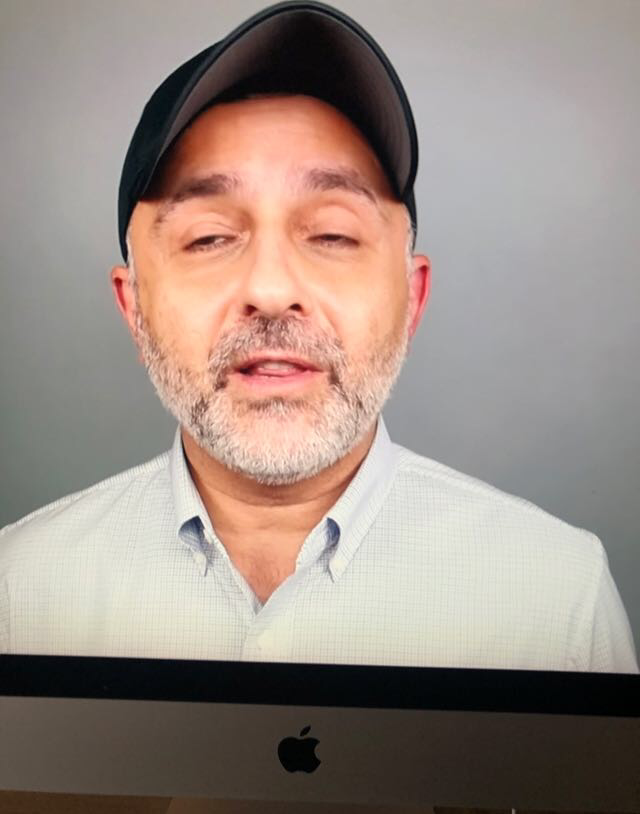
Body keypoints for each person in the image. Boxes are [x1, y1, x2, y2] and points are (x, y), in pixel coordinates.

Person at [0, 2, 637, 673]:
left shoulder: (557, 600)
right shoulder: (20, 595)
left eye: (332, 234)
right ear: (134, 308)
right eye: (210, 237)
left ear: (412, 298)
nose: (272, 289)